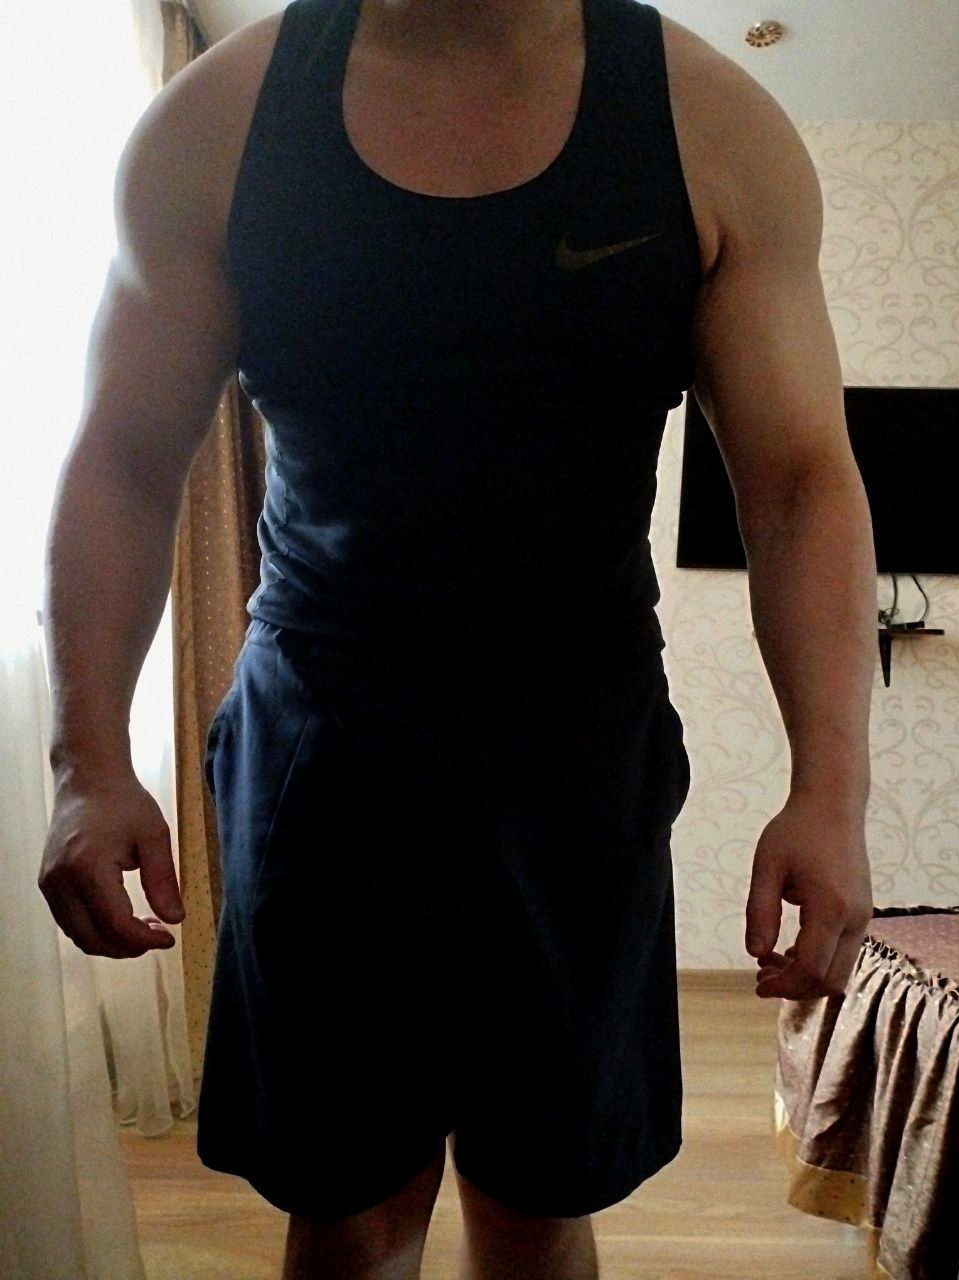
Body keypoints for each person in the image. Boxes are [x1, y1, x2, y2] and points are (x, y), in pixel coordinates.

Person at [37, 0, 877, 1277]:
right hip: (322, 743)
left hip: (576, 749)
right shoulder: (217, 122)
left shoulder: (711, 127)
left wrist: (831, 790)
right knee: (349, 1208)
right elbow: (124, 458)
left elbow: (800, 479)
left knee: (540, 1198)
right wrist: (87, 760)